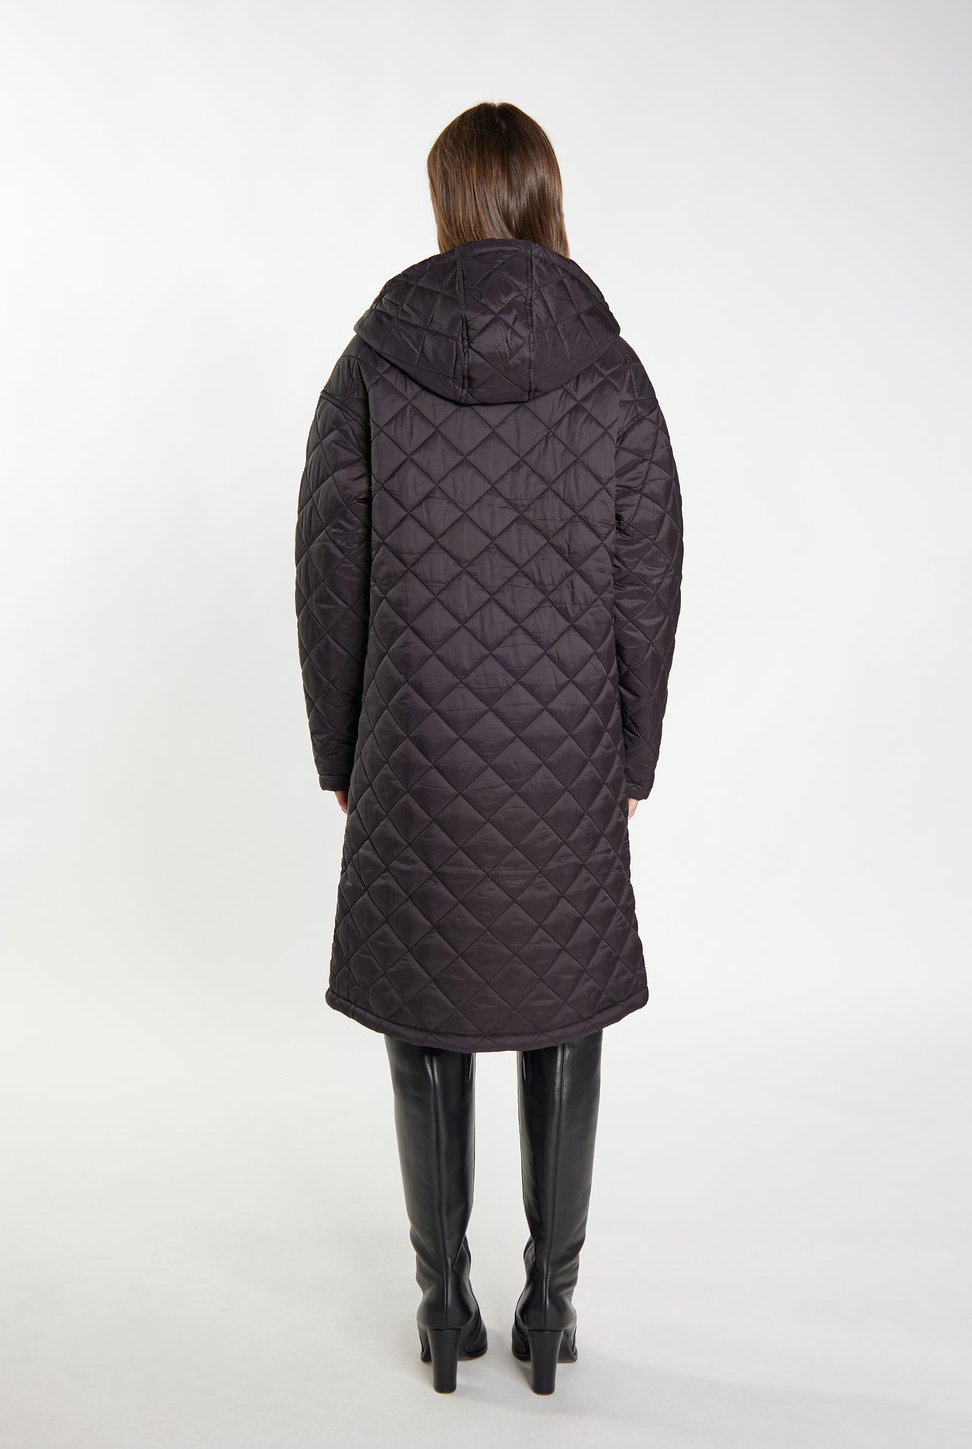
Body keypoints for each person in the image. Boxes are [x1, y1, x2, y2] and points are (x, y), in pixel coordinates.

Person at [294, 101, 684, 1395]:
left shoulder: (371, 365)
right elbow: (649, 576)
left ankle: (441, 1304)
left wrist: (342, 747)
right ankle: (551, 1312)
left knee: (429, 1011)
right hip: (565, 758)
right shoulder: (612, 372)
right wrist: (632, 753)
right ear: (545, 197)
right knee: (561, 1014)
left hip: (415, 749)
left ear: (448, 201)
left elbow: (328, 572)